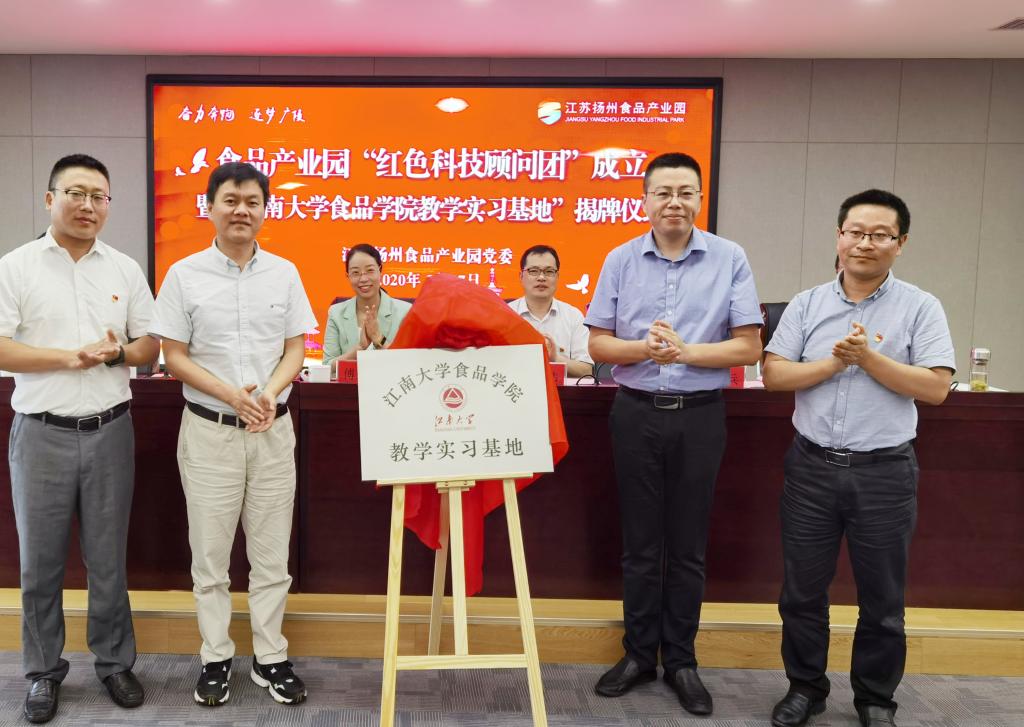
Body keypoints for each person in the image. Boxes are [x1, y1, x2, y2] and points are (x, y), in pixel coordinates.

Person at [763, 189, 955, 727]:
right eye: (855, 232)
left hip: (884, 473)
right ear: (839, 237)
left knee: (883, 600)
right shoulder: (806, 304)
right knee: (801, 593)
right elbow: (775, 375)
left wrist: (868, 358)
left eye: (879, 235)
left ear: (900, 243)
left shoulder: (921, 306)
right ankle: (805, 689)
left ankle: (874, 699)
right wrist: (834, 363)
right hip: (811, 469)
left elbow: (935, 388)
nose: (865, 243)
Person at [585, 152, 763, 716]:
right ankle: (639, 654)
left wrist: (685, 352)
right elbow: (598, 344)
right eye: (663, 192)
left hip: (699, 415)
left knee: (687, 546)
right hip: (635, 412)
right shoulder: (620, 259)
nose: (674, 203)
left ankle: (681, 659)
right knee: (640, 544)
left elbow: (749, 346)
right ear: (645, 200)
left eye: (686, 192)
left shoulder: (730, 257)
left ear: (700, 200)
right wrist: (644, 349)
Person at [150, 162, 317, 707]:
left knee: (271, 556)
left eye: (252, 201)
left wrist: (268, 392)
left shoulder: (285, 273)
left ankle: (270, 657)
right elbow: (173, 356)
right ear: (210, 207)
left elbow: (296, 347)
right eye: (230, 200)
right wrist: (232, 395)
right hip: (210, 433)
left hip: (273, 429)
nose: (241, 210)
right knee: (210, 556)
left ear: (265, 210)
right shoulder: (183, 274)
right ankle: (216, 656)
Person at [0, 154, 159, 723]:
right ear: (51, 199)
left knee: (108, 560)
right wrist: (71, 358)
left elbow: (150, 345)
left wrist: (116, 353)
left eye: (99, 196)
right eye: (76, 193)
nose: (88, 205)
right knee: (39, 564)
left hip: (109, 431)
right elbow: (1, 348)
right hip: (41, 434)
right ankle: (43, 672)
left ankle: (114, 663)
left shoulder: (124, 268)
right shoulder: (16, 267)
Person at [508, 244, 593, 378]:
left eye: (549, 271)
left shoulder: (573, 316)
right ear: (521, 276)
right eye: (533, 271)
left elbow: (586, 371)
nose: (541, 277)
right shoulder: (506, 314)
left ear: (557, 276)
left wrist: (555, 358)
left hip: (561, 391)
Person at [322, 243, 411, 364]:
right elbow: (327, 365)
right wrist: (359, 349)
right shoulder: (336, 313)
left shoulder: (406, 312)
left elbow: (410, 363)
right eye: (356, 272)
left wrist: (379, 339)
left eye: (370, 270)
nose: (363, 279)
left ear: (380, 271)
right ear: (348, 276)